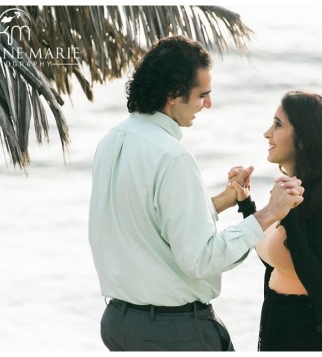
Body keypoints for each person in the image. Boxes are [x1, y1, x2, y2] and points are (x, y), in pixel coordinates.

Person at [88, 35, 303, 351]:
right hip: (173, 333)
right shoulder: (172, 157)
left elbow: (144, 220)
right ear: (174, 95)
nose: (209, 104)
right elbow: (201, 260)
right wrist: (269, 213)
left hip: (118, 325)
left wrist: (222, 202)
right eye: (203, 95)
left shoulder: (111, 140)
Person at [229, 90, 322, 351]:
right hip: (281, 331)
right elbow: (278, 263)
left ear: (304, 140)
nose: (267, 132)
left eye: (278, 125)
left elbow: (316, 283)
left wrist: (288, 216)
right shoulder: (290, 192)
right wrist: (246, 203)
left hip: (321, 339)